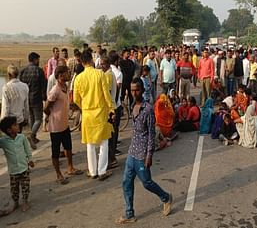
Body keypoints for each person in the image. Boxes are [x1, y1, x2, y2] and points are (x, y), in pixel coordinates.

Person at [116, 77, 172, 224]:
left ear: (142, 90)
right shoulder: (133, 104)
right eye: (132, 90)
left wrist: (149, 155)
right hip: (132, 151)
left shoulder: (147, 109)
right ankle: (129, 214)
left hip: (142, 154)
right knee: (126, 182)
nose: (135, 93)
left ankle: (165, 197)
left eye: (137, 90)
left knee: (146, 182)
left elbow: (151, 134)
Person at [73, 51, 115, 181]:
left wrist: (84, 107)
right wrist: (111, 109)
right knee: (104, 142)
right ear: (91, 60)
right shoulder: (100, 74)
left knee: (90, 144)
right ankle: (102, 171)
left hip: (87, 114)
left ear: (82, 62)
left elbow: (76, 99)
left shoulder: (79, 78)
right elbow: (106, 94)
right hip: (101, 112)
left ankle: (92, 171)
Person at [44, 66, 83, 184]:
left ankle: (70, 168)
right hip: (56, 126)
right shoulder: (55, 90)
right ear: (60, 76)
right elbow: (46, 107)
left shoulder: (65, 88)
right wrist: (51, 116)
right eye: (67, 73)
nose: (69, 75)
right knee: (55, 151)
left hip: (65, 125)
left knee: (68, 147)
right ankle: (58, 174)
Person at [0, 116, 34, 213]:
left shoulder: (21, 137)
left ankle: (25, 201)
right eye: (15, 125)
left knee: (25, 186)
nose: (18, 125)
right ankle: (15, 202)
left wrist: (30, 159)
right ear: (9, 130)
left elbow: (27, 149)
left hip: (24, 168)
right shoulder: (3, 141)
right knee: (14, 189)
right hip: (13, 170)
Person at [19, 52, 47, 150]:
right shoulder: (39, 71)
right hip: (36, 98)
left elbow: (20, 85)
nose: (38, 61)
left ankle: (33, 137)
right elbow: (44, 85)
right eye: (38, 59)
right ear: (34, 60)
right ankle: (32, 135)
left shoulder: (23, 71)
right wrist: (45, 97)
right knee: (38, 119)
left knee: (32, 118)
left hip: (26, 98)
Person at [1, 65, 29, 132]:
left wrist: (2, 121)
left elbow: (5, 108)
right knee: (18, 139)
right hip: (20, 120)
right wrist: (26, 117)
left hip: (10, 121)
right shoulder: (24, 86)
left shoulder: (6, 87)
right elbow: (26, 105)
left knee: (10, 141)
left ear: (9, 75)